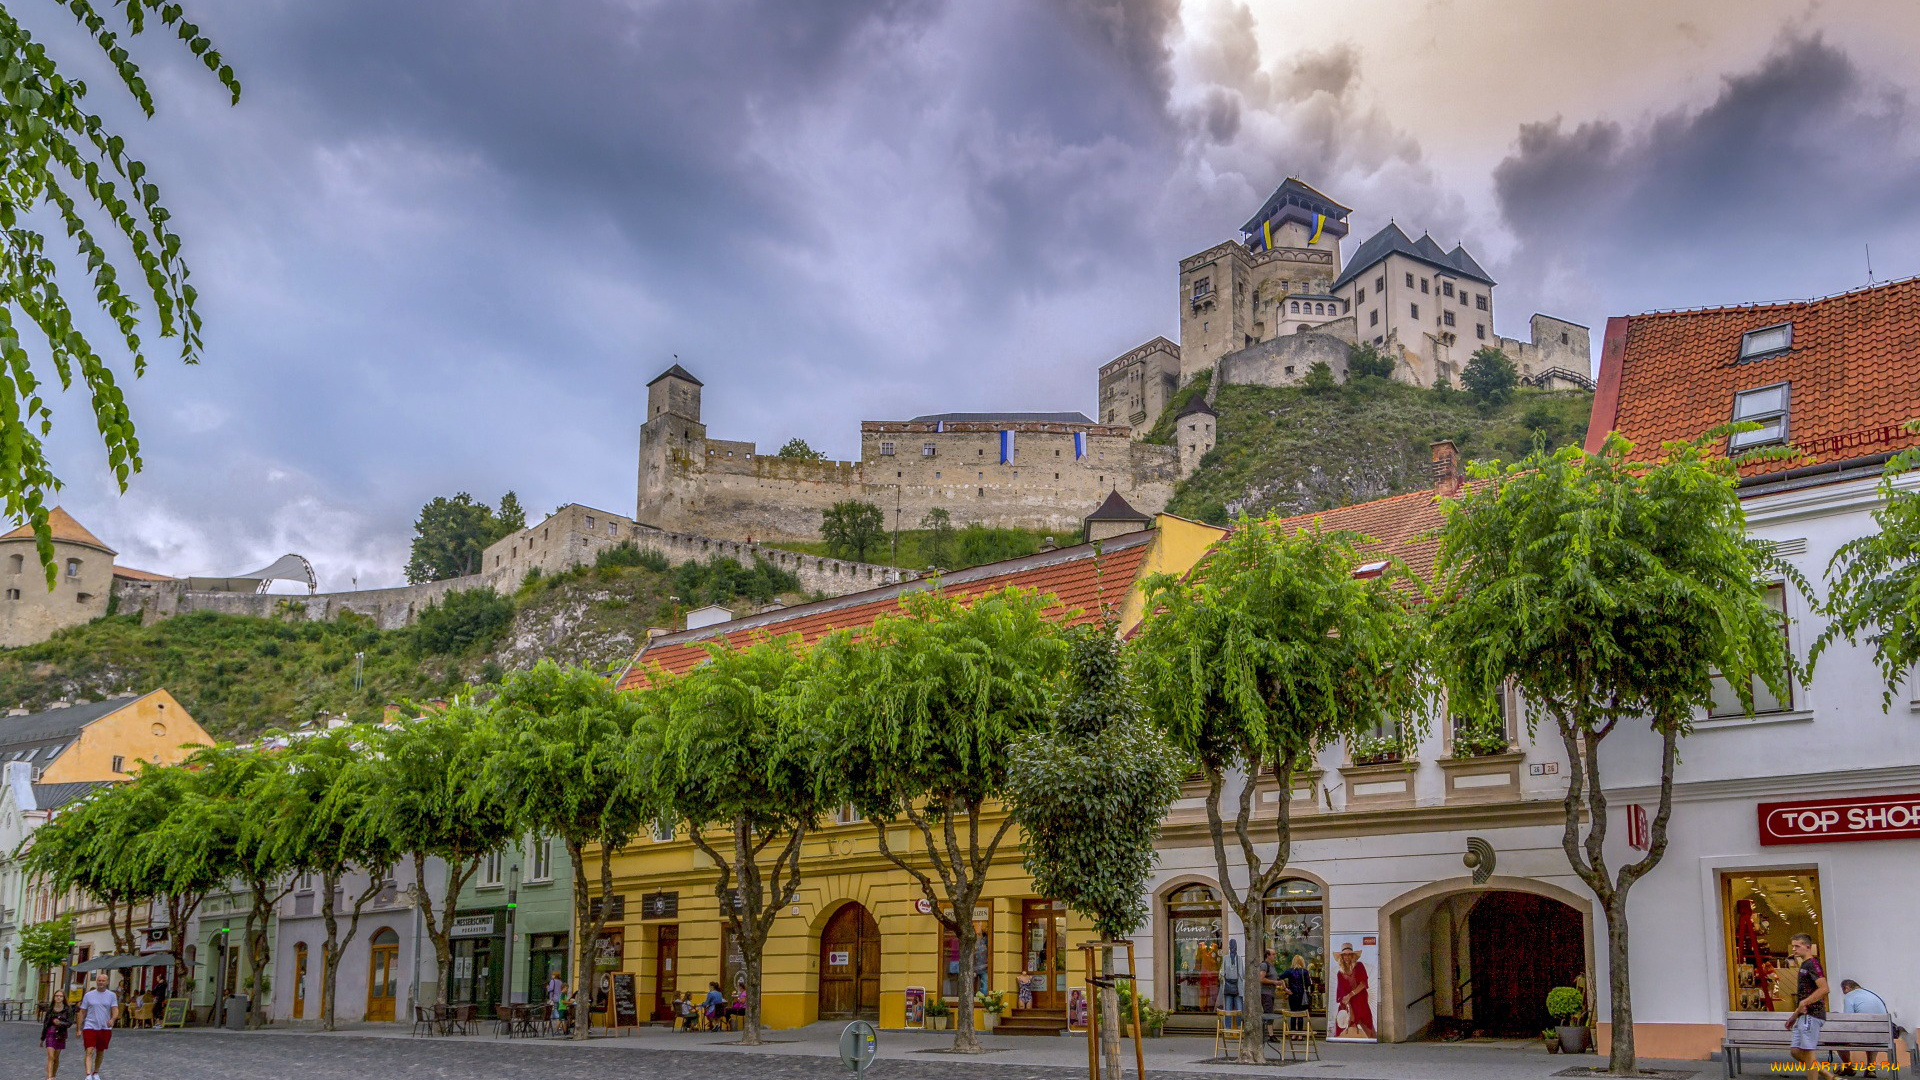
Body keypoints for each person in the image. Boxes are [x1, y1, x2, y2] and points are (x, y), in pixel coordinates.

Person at [1782, 933, 1831, 1079]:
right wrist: (1795, 1015)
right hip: (1804, 1015)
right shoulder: (1804, 964)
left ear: (1808, 947)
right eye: (1793, 946)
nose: (1794, 950)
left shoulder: (1812, 964)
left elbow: (1824, 988)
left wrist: (1805, 1002)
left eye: (1798, 946)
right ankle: (1827, 1075)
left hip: (1812, 1014)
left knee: (1808, 1052)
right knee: (1796, 1051)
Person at [1837, 979, 1891, 1076]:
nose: (1845, 994)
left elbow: (1848, 1018)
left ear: (1847, 988)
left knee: (1837, 1038)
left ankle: (1848, 1066)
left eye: (1844, 992)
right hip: (1881, 1036)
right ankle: (1871, 1068)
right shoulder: (1874, 993)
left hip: (1862, 1035)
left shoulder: (1850, 996)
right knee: (1871, 1033)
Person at [79, 971, 118, 1080]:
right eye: (99, 980)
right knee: (89, 1050)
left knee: (100, 1051)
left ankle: (96, 1072)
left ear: (107, 982)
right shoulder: (88, 995)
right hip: (90, 1025)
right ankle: (88, 1074)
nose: (101, 982)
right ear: (96, 982)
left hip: (104, 1027)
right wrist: (79, 1027)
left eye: (103, 981)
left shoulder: (111, 995)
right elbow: (82, 1011)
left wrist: (113, 1019)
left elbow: (115, 1009)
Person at [1332, 942, 1374, 1039]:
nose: (1346, 957)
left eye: (1349, 954)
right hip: (1348, 1003)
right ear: (1341, 957)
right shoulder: (1340, 973)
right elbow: (1341, 992)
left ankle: (1372, 1045)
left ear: (1352, 955)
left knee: (1369, 1029)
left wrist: (1351, 994)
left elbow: (1363, 984)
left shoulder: (1359, 966)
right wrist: (1348, 1005)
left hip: (1361, 1001)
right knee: (1344, 1028)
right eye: (1344, 955)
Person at [41, 996, 72, 1079]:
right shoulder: (50, 1010)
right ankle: (49, 1077)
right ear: (54, 998)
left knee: (55, 1057)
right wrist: (42, 1038)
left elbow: (69, 1023)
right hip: (50, 1033)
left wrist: (60, 1023)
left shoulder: (67, 1010)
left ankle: (53, 1075)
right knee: (50, 1056)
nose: (58, 998)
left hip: (61, 1034)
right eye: (57, 996)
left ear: (63, 998)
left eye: (61, 996)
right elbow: (45, 1024)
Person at [1220, 939, 1243, 1018]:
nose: (1233, 948)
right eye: (1232, 946)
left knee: (1239, 1010)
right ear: (1229, 947)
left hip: (1237, 987)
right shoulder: (1226, 958)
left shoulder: (1239, 959)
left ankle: (1239, 1026)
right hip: (1229, 986)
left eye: (1234, 946)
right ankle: (1228, 1028)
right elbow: (1222, 972)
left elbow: (1242, 974)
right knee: (1228, 1010)